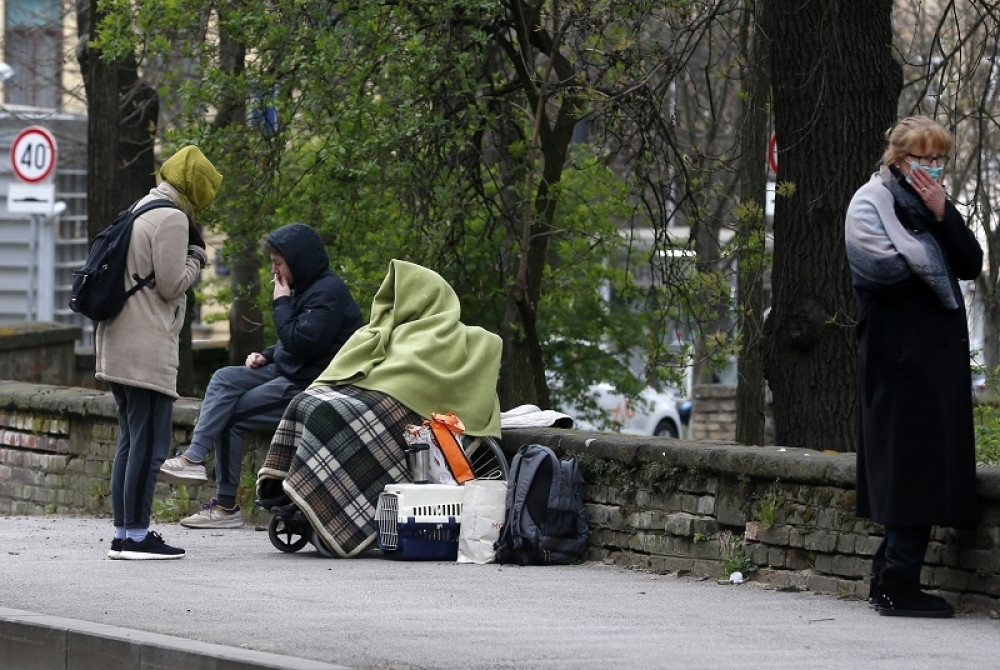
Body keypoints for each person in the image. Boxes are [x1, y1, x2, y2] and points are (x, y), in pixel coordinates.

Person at [256, 259, 502, 557]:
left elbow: (420, 385)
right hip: (368, 399)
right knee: (306, 401)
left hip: (408, 412)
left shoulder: (456, 338)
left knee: (328, 414)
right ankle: (288, 492)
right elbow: (358, 369)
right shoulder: (382, 329)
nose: (391, 302)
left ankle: (326, 506)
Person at [845, 115, 982, 617]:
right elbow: (882, 274)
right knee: (909, 469)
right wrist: (930, 257)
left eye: (939, 159)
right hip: (897, 360)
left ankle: (889, 577)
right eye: (923, 159)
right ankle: (896, 586)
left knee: (927, 467)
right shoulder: (870, 202)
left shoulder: (934, 208)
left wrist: (943, 215)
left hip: (936, 363)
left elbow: (970, 263)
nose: (932, 168)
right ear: (897, 160)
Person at [158, 223, 364, 529]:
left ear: (299, 261)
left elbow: (302, 341)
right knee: (225, 377)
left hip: (305, 384)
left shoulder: (327, 294)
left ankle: (225, 505)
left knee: (231, 415)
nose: (274, 271)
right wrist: (267, 354)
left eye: (278, 263)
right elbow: (292, 339)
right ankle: (195, 458)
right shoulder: (306, 288)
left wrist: (280, 302)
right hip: (286, 369)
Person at [99, 145, 222, 560]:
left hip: (118, 342)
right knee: (150, 445)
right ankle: (136, 536)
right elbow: (171, 285)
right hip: (146, 347)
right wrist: (196, 257)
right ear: (196, 189)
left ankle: (122, 533)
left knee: (130, 442)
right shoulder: (171, 218)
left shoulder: (141, 208)